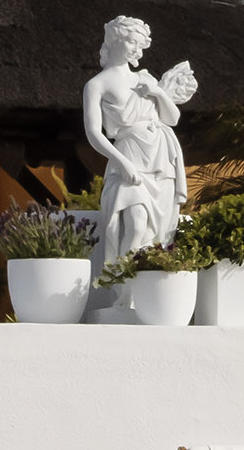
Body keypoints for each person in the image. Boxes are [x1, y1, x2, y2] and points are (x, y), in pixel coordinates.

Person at [83, 16, 197, 268]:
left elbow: (173, 118)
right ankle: (122, 286)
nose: (137, 49)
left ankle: (143, 283)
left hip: (161, 156)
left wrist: (157, 93)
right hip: (129, 156)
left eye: (140, 44)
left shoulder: (146, 79)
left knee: (159, 231)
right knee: (135, 223)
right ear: (115, 40)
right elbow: (94, 133)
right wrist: (122, 163)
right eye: (131, 42)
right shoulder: (96, 85)